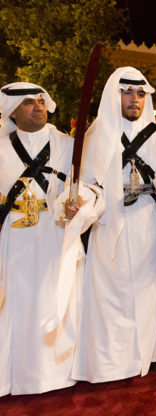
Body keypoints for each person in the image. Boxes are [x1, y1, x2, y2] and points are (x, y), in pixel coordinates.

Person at [72, 67, 156, 383]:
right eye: (127, 92)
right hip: (111, 223)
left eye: (140, 94)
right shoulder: (97, 135)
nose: (134, 99)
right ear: (114, 95)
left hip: (151, 223)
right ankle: (112, 361)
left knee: (151, 289)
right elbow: (88, 184)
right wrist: (82, 201)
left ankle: (150, 352)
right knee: (112, 291)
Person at [0, 82, 75, 395]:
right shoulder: (1, 146)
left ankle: (52, 375)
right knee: (13, 301)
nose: (38, 106)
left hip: (54, 232)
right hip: (12, 233)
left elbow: (87, 184)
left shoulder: (68, 144)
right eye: (28, 102)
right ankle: (10, 374)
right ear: (12, 111)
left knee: (51, 298)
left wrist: (78, 202)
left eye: (41, 100)